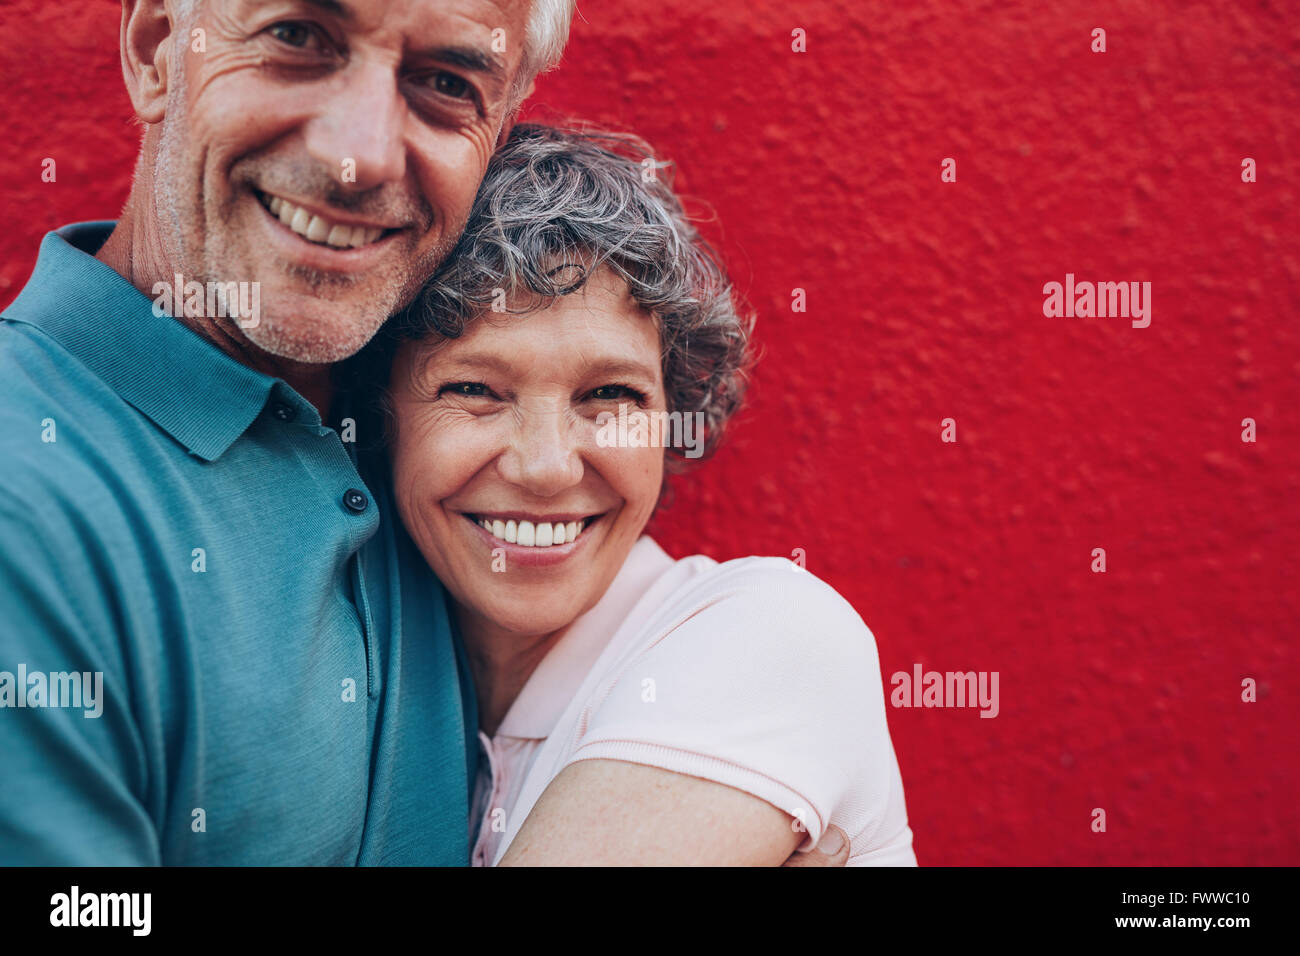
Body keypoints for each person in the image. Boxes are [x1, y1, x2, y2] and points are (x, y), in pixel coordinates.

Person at [0, 0, 575, 865]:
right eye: (297, 39)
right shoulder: (24, 507)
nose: (361, 157)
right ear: (157, 49)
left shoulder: (435, 435)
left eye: (447, 83)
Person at [379, 124, 917, 865]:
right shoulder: (382, 697)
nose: (547, 468)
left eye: (608, 394)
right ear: (382, 420)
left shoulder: (770, 635)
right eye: (474, 389)